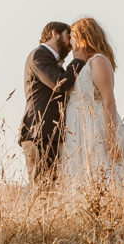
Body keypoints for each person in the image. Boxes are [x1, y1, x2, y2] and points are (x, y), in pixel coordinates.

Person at [60, 17, 124, 187]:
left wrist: (111, 139)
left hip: (95, 124)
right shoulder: (80, 64)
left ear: (83, 37)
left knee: (103, 172)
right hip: (77, 128)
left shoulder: (98, 61)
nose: (70, 42)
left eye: (72, 36)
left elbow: (109, 101)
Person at [19, 21, 86, 187]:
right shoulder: (39, 55)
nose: (71, 43)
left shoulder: (53, 61)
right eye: (68, 35)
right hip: (39, 133)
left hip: (50, 133)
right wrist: (78, 60)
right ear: (54, 33)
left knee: (52, 190)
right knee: (42, 190)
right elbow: (59, 84)